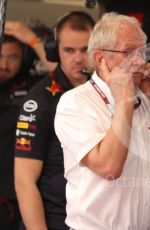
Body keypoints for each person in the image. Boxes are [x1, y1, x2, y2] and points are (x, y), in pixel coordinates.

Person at [54, 12, 150, 230]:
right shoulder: (75, 103)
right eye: (129, 52)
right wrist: (124, 102)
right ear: (101, 59)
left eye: (142, 52)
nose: (140, 61)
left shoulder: (148, 94)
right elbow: (109, 167)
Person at [14, 11, 95, 230]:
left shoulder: (104, 92)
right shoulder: (39, 100)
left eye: (85, 49)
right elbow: (24, 182)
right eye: (69, 50)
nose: (77, 58)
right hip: (54, 221)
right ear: (54, 51)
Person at [0, 32, 43, 230]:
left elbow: (58, 67)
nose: (4, 64)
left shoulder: (34, 86)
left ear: (24, 58)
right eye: (0, 55)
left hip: (14, 196)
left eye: (13, 56)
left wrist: (25, 34)